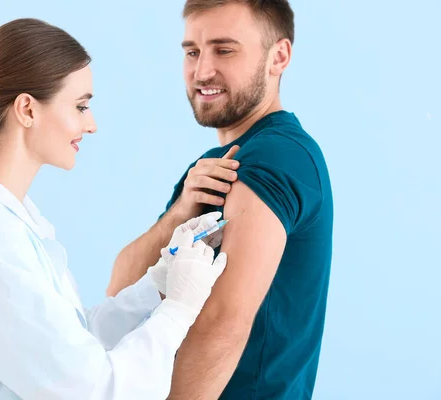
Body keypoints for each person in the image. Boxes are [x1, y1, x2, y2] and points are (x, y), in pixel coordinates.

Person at [0, 18, 227, 400]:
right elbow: (98, 390)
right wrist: (179, 310)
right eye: (81, 106)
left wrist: (158, 285)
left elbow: (73, 341)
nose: (92, 125)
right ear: (27, 109)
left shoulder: (5, 221)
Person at [108, 1, 334, 398]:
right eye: (192, 51)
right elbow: (119, 299)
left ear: (277, 57)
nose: (202, 71)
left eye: (224, 49)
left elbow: (222, 325)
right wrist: (178, 213)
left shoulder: (277, 154)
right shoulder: (210, 168)